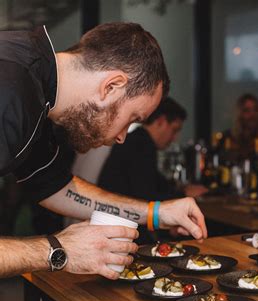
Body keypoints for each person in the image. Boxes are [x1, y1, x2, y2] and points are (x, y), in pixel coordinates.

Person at [0, 22, 207, 279]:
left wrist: (155, 213)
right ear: (111, 86)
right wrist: (59, 249)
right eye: (132, 118)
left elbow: (54, 187)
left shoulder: (37, 87)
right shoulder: (9, 90)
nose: (121, 138)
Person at [98, 97, 208, 243]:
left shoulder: (139, 140)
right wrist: (184, 194)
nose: (174, 138)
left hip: (118, 225)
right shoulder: (141, 144)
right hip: (116, 230)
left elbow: (156, 182)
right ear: (160, 121)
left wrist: (181, 190)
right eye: (174, 130)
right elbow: (145, 194)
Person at [219, 93, 258, 162]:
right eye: (247, 111)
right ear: (239, 114)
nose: (252, 115)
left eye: (256, 110)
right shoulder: (228, 138)